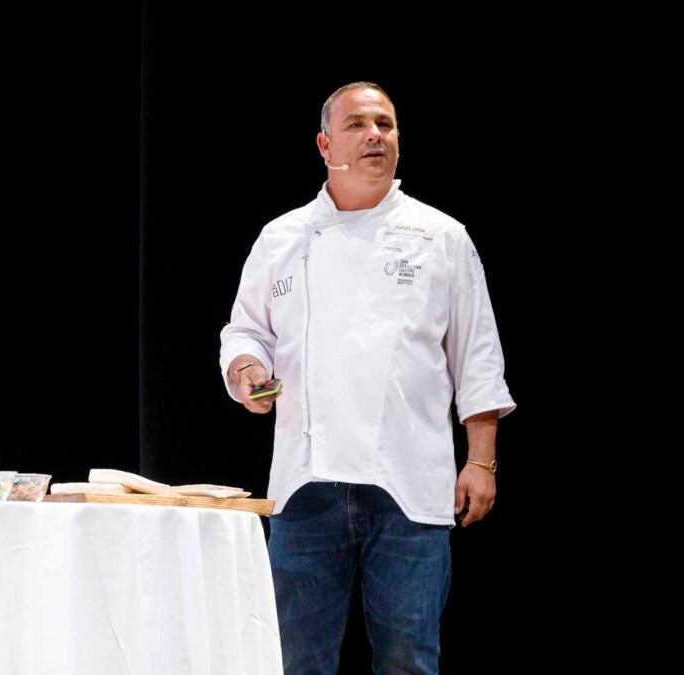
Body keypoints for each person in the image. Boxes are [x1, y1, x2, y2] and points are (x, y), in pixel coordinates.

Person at [219, 82, 516, 674]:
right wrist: (248, 367)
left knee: (408, 659)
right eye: (358, 124)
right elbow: (246, 331)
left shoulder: (442, 236)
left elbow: (477, 354)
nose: (376, 134)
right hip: (305, 487)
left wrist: (480, 460)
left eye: (386, 123)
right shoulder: (283, 236)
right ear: (325, 143)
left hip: (410, 483)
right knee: (296, 659)